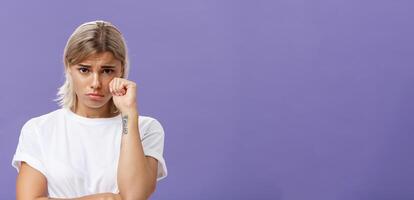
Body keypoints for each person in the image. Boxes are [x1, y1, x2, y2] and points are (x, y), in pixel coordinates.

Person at [11, 20, 168, 200]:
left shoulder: (146, 128)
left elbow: (134, 196)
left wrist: (128, 115)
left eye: (107, 71)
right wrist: (102, 199)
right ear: (68, 67)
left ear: (122, 70)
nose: (95, 83)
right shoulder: (39, 129)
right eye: (84, 70)